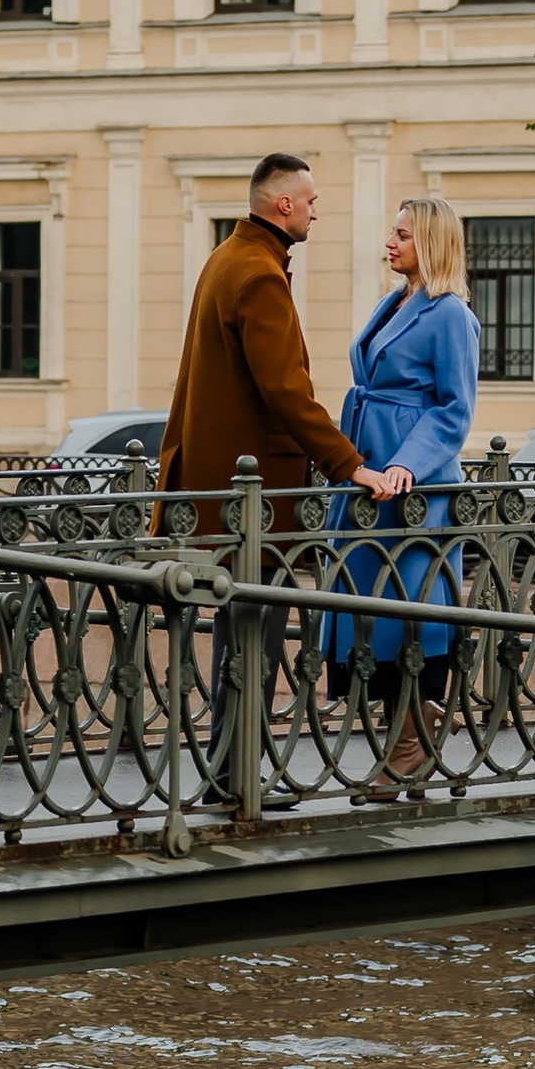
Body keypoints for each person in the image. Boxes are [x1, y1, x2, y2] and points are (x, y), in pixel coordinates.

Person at [158, 151, 402, 797]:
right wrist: (352, 466)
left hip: (223, 492)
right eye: (312, 202)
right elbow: (286, 393)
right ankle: (237, 778)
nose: (318, 212)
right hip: (253, 502)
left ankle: (228, 774)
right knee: (253, 639)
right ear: (283, 204)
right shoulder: (259, 275)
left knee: (237, 632)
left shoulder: (227, 258)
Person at [326, 196, 482, 791]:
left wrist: (404, 467)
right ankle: (417, 726)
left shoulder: (451, 315)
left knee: (408, 613)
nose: (389, 243)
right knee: (368, 610)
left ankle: (408, 746)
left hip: (413, 490)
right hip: (371, 478)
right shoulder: (394, 301)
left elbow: (454, 412)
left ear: (432, 243)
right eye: (391, 233)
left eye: (402, 236)